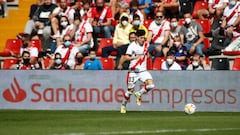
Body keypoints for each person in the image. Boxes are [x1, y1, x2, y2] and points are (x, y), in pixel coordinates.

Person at [120, 29, 155, 113]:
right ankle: (123, 105)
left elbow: (147, 53)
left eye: (144, 38)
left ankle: (139, 93)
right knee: (130, 91)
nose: (143, 39)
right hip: (133, 71)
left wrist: (147, 56)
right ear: (137, 38)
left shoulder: (146, 44)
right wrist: (134, 57)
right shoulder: (132, 46)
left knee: (151, 85)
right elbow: (126, 57)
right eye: (141, 38)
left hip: (143, 71)